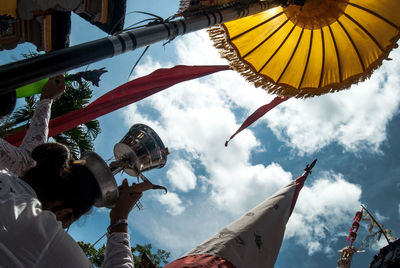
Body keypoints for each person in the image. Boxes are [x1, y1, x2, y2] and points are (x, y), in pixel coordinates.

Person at [0, 76, 141, 267]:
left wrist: (46, 99)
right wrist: (119, 220)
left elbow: (28, 154)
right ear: (63, 214)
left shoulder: (9, 173)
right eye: (68, 221)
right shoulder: (44, 237)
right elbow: (29, 154)